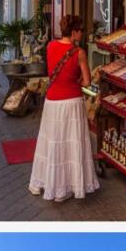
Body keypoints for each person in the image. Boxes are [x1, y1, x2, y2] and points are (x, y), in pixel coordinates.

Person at [29, 14, 100, 202]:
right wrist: (76, 80)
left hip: (52, 101)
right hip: (71, 102)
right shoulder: (80, 53)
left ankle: (50, 182)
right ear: (75, 32)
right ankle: (71, 183)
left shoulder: (51, 46)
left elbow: (52, 70)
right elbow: (87, 81)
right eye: (81, 31)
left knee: (53, 142)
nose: (83, 34)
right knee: (71, 142)